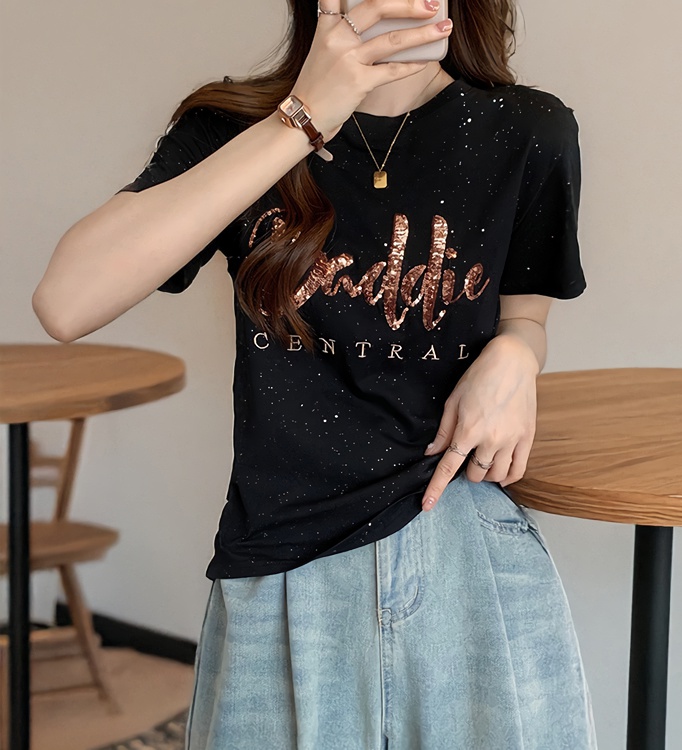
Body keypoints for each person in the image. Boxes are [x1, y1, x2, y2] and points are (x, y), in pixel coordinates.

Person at [33, 0, 597, 747]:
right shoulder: (233, 128)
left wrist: (519, 353)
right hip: (284, 557)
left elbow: (525, 317)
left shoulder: (529, 131)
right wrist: (301, 119)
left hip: (465, 541)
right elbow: (66, 302)